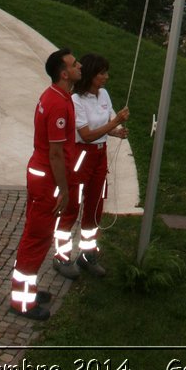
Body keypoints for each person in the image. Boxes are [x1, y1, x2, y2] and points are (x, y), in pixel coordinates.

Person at [9, 48, 83, 320]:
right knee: (37, 239)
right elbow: (55, 153)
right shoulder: (59, 104)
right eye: (75, 65)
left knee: (35, 234)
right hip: (48, 181)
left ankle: (28, 288)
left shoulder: (55, 96)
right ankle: (22, 301)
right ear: (64, 74)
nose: (80, 67)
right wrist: (63, 189)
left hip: (41, 175)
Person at [71, 53, 130, 277]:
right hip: (82, 156)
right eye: (101, 73)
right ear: (90, 75)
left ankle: (88, 253)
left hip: (99, 154)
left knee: (95, 205)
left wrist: (115, 131)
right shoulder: (77, 100)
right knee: (73, 205)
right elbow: (85, 135)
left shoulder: (103, 94)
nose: (106, 77)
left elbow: (104, 126)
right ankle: (62, 256)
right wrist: (114, 123)